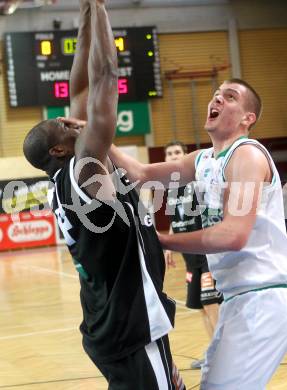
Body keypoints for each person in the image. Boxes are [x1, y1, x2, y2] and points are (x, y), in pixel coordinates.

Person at [22, 1, 185, 389]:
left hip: (114, 321)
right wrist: (101, 9)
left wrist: (87, 12)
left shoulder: (67, 176)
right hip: (129, 326)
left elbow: (79, 87)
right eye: (62, 124)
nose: (69, 119)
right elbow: (106, 77)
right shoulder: (84, 170)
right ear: (59, 150)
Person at [109, 78, 287, 389]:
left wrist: (158, 240)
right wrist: (98, 136)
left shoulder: (247, 155)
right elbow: (142, 175)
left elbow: (232, 235)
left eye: (230, 96)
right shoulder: (204, 160)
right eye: (216, 95)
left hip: (262, 302)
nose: (218, 100)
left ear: (247, 118)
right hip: (238, 301)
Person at [164, 140, 222, 370]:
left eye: (177, 152)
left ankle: (224, 355)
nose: (173, 156)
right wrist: (169, 246)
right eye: (169, 153)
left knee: (211, 303)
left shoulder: (197, 179)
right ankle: (214, 352)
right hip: (189, 256)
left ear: (185, 155)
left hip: (206, 251)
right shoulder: (170, 186)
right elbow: (175, 219)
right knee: (200, 306)